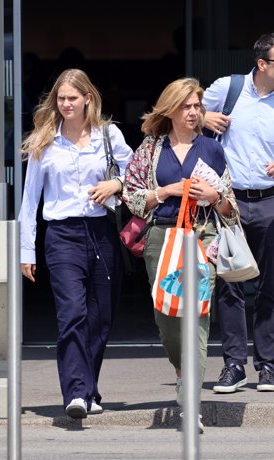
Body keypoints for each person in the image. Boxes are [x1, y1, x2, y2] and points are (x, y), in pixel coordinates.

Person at [122, 77, 238, 432]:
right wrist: (166, 190)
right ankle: (180, 371)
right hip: (161, 237)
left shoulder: (213, 150)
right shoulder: (151, 149)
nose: (193, 112)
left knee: (198, 320)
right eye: (186, 106)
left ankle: (191, 403)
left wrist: (214, 197)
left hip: (202, 237)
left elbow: (231, 209)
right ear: (170, 110)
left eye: (197, 107)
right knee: (168, 319)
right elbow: (131, 195)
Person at [18, 68, 133, 418]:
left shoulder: (109, 135)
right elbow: (29, 200)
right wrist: (27, 249)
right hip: (62, 236)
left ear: (87, 98)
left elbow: (138, 173)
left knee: (100, 318)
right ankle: (76, 393)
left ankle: (89, 389)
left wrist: (116, 185)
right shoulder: (45, 140)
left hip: (102, 232)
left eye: (72, 98)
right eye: (61, 98)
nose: (66, 104)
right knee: (72, 314)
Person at [203, 32, 274, 394]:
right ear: (262, 64)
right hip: (228, 201)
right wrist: (205, 116)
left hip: (271, 200)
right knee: (230, 282)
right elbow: (180, 112)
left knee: (269, 284)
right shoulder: (227, 88)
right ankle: (234, 364)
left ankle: (269, 364)